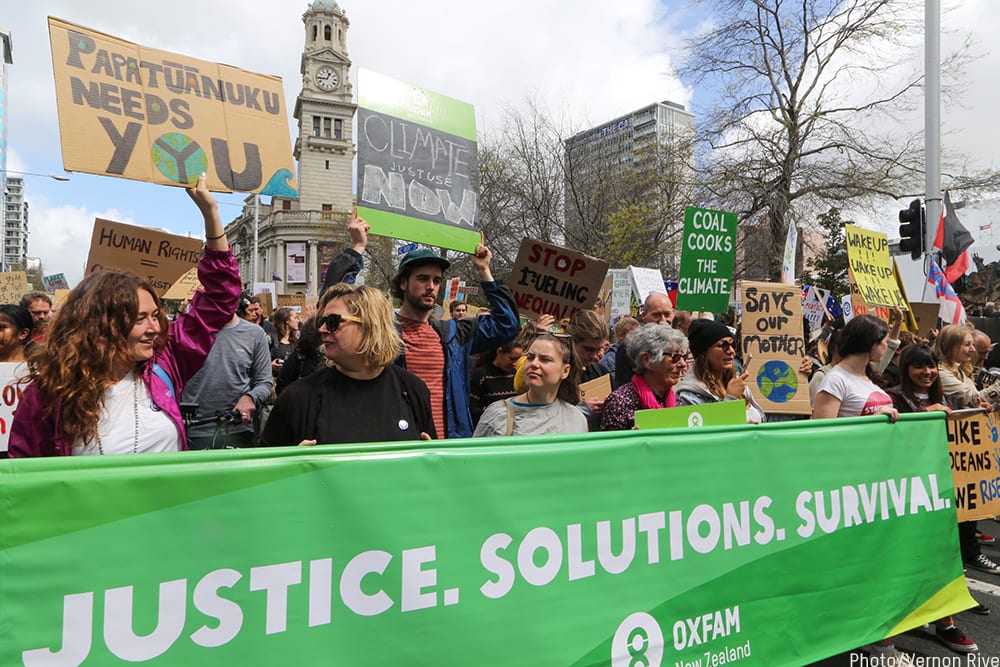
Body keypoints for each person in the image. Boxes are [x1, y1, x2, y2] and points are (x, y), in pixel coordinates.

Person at [9, 173, 241, 457]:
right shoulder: (48, 395)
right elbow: (28, 477)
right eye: (140, 319)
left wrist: (211, 213)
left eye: (155, 315)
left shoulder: (166, 364)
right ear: (102, 325)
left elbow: (221, 296)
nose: (154, 327)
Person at [262, 283, 436, 445]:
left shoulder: (413, 390)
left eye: (333, 322)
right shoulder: (297, 399)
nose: (321, 330)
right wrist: (292, 466)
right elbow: (265, 471)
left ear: (370, 325)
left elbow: (433, 468)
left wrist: (428, 459)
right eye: (321, 322)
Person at [390, 246, 519, 439]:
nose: (431, 287)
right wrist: (357, 250)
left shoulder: (454, 334)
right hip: (403, 445)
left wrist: (484, 271)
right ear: (403, 283)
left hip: (450, 446)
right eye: (422, 278)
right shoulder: (384, 334)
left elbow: (507, 324)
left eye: (436, 280)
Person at [934, 324, 1000, 577]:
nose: (973, 350)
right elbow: (973, 398)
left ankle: (968, 552)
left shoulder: (963, 372)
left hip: (966, 449)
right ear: (951, 346)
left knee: (968, 502)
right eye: (967, 345)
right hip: (949, 448)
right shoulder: (942, 372)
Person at [180, 305, 273, 449]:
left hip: (237, 430)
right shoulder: (184, 331)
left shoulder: (255, 334)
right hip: (193, 430)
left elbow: (264, 382)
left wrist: (250, 398)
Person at [474, 333, 587, 436]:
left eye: (545, 359)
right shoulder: (497, 415)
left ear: (565, 371)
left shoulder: (576, 418)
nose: (534, 364)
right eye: (530, 357)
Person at [601, 323, 689, 431]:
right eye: (675, 357)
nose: (683, 364)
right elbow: (610, 446)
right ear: (647, 360)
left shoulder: (677, 401)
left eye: (684, 357)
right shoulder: (620, 403)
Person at [676, 319, 766, 423]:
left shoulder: (736, 382)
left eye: (732, 344)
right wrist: (731, 398)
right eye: (722, 345)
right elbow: (709, 433)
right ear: (703, 352)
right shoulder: (689, 395)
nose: (731, 351)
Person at [615, 292, 675, 388]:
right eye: (656, 315)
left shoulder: (677, 343)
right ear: (644, 315)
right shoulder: (629, 346)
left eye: (667, 314)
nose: (663, 320)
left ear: (673, 313)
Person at [469, 339, 523, 426]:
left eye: (517, 359)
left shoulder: (515, 374)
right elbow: (472, 409)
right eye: (512, 359)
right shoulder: (481, 375)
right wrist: (496, 411)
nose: (515, 364)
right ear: (499, 352)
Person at [270, 307, 301, 374]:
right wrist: (270, 365)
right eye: (295, 318)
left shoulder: (296, 340)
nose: (298, 321)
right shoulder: (271, 339)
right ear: (287, 320)